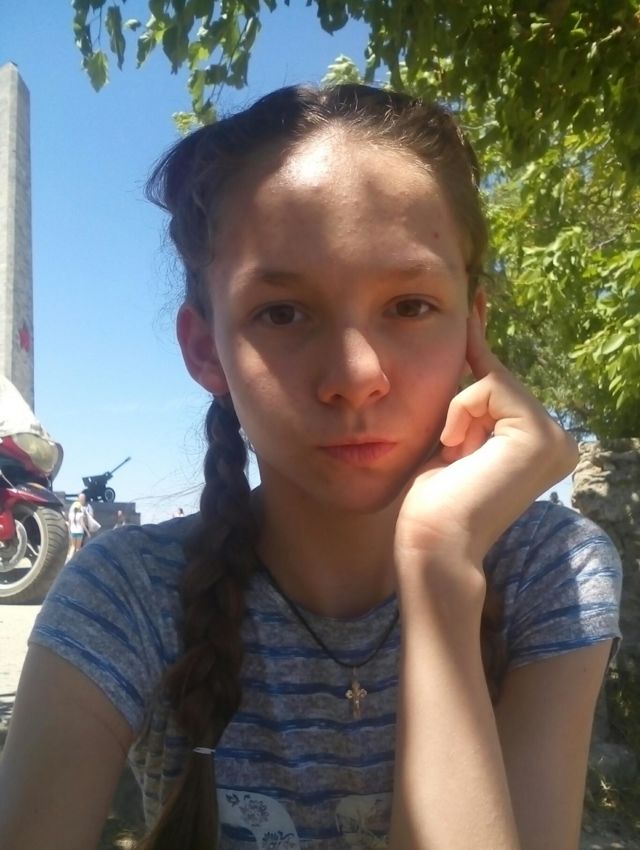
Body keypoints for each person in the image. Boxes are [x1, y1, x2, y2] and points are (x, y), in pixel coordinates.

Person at [0, 85, 622, 850]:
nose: (355, 376)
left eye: (410, 305)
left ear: (473, 325)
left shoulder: (551, 573)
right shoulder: (128, 597)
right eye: (283, 313)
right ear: (205, 350)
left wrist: (440, 564)